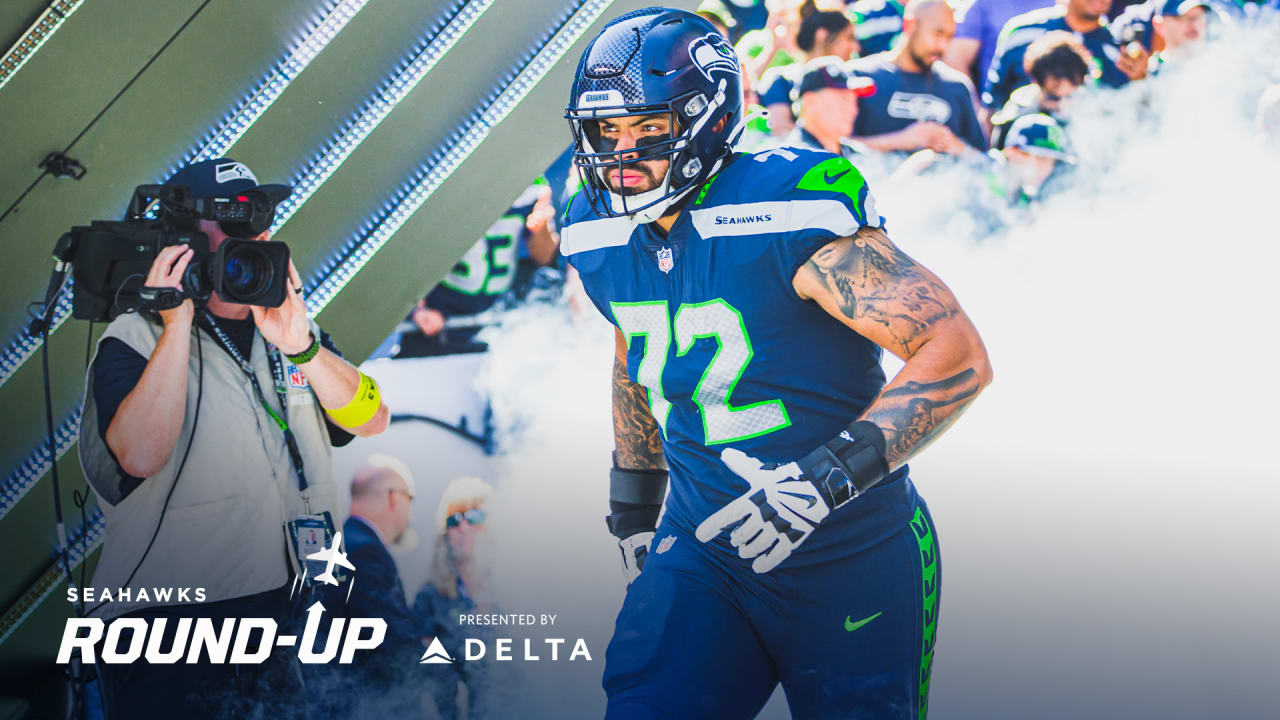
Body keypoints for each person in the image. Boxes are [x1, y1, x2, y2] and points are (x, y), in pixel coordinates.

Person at [562, 8, 992, 718]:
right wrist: (635, 509)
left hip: (851, 552)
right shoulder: (594, 224)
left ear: (705, 120)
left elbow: (956, 352)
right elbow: (632, 352)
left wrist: (825, 480)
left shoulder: (787, 202)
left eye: (648, 127)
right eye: (606, 131)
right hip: (704, 548)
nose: (621, 154)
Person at [79, 158, 390, 719]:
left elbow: (371, 418)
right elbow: (141, 454)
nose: (256, 236)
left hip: (282, 612)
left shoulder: (292, 331)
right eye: (236, 223)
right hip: (168, 625)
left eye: (260, 222)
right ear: (186, 243)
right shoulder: (135, 337)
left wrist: (303, 348)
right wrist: (176, 323)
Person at [310, 454, 427, 719]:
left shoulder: (335, 544)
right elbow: (393, 646)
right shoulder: (368, 553)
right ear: (394, 498)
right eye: (411, 499)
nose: (411, 513)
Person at [401, 179, 559, 356]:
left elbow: (544, 257)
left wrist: (540, 228)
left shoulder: (532, 182)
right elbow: (409, 247)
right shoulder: (447, 177)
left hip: (497, 320)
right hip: (439, 320)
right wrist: (417, 307)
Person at [850, 0, 989, 154]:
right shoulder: (860, 77)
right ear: (909, 25)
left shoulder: (957, 86)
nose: (943, 46)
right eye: (937, 33)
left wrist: (955, 147)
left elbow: (983, 159)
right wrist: (899, 141)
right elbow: (837, 147)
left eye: (950, 37)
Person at [413, 476, 497, 720]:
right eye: (454, 520)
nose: (463, 527)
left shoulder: (517, 591)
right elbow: (435, 682)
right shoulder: (430, 600)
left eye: (474, 517)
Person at [983, 0, 1148, 113]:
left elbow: (1132, 115)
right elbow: (992, 105)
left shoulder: (1120, 52)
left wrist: (1140, 80)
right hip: (1022, 148)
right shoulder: (1022, 33)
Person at [757, 8, 858, 134]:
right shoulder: (780, 79)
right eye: (849, 38)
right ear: (822, 35)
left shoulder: (854, 80)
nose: (855, 47)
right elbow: (781, 129)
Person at [989, 30, 1093, 148]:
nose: (1061, 98)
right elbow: (1002, 142)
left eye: (1071, 92)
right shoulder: (1022, 104)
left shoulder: (1090, 107)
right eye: (1054, 91)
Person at [781, 55, 879, 159]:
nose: (853, 110)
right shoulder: (791, 160)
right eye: (843, 99)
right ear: (810, 101)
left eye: (854, 101)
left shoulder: (861, 155)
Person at [944, 0, 1047, 86]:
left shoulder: (1056, 5)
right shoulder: (983, 4)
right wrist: (974, 102)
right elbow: (955, 61)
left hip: (1052, 97)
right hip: (998, 99)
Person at [1148, 0, 1210, 74]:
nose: (1194, 24)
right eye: (1182, 17)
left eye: (1198, 16)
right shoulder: (1149, 74)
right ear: (1159, 25)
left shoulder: (1218, 67)